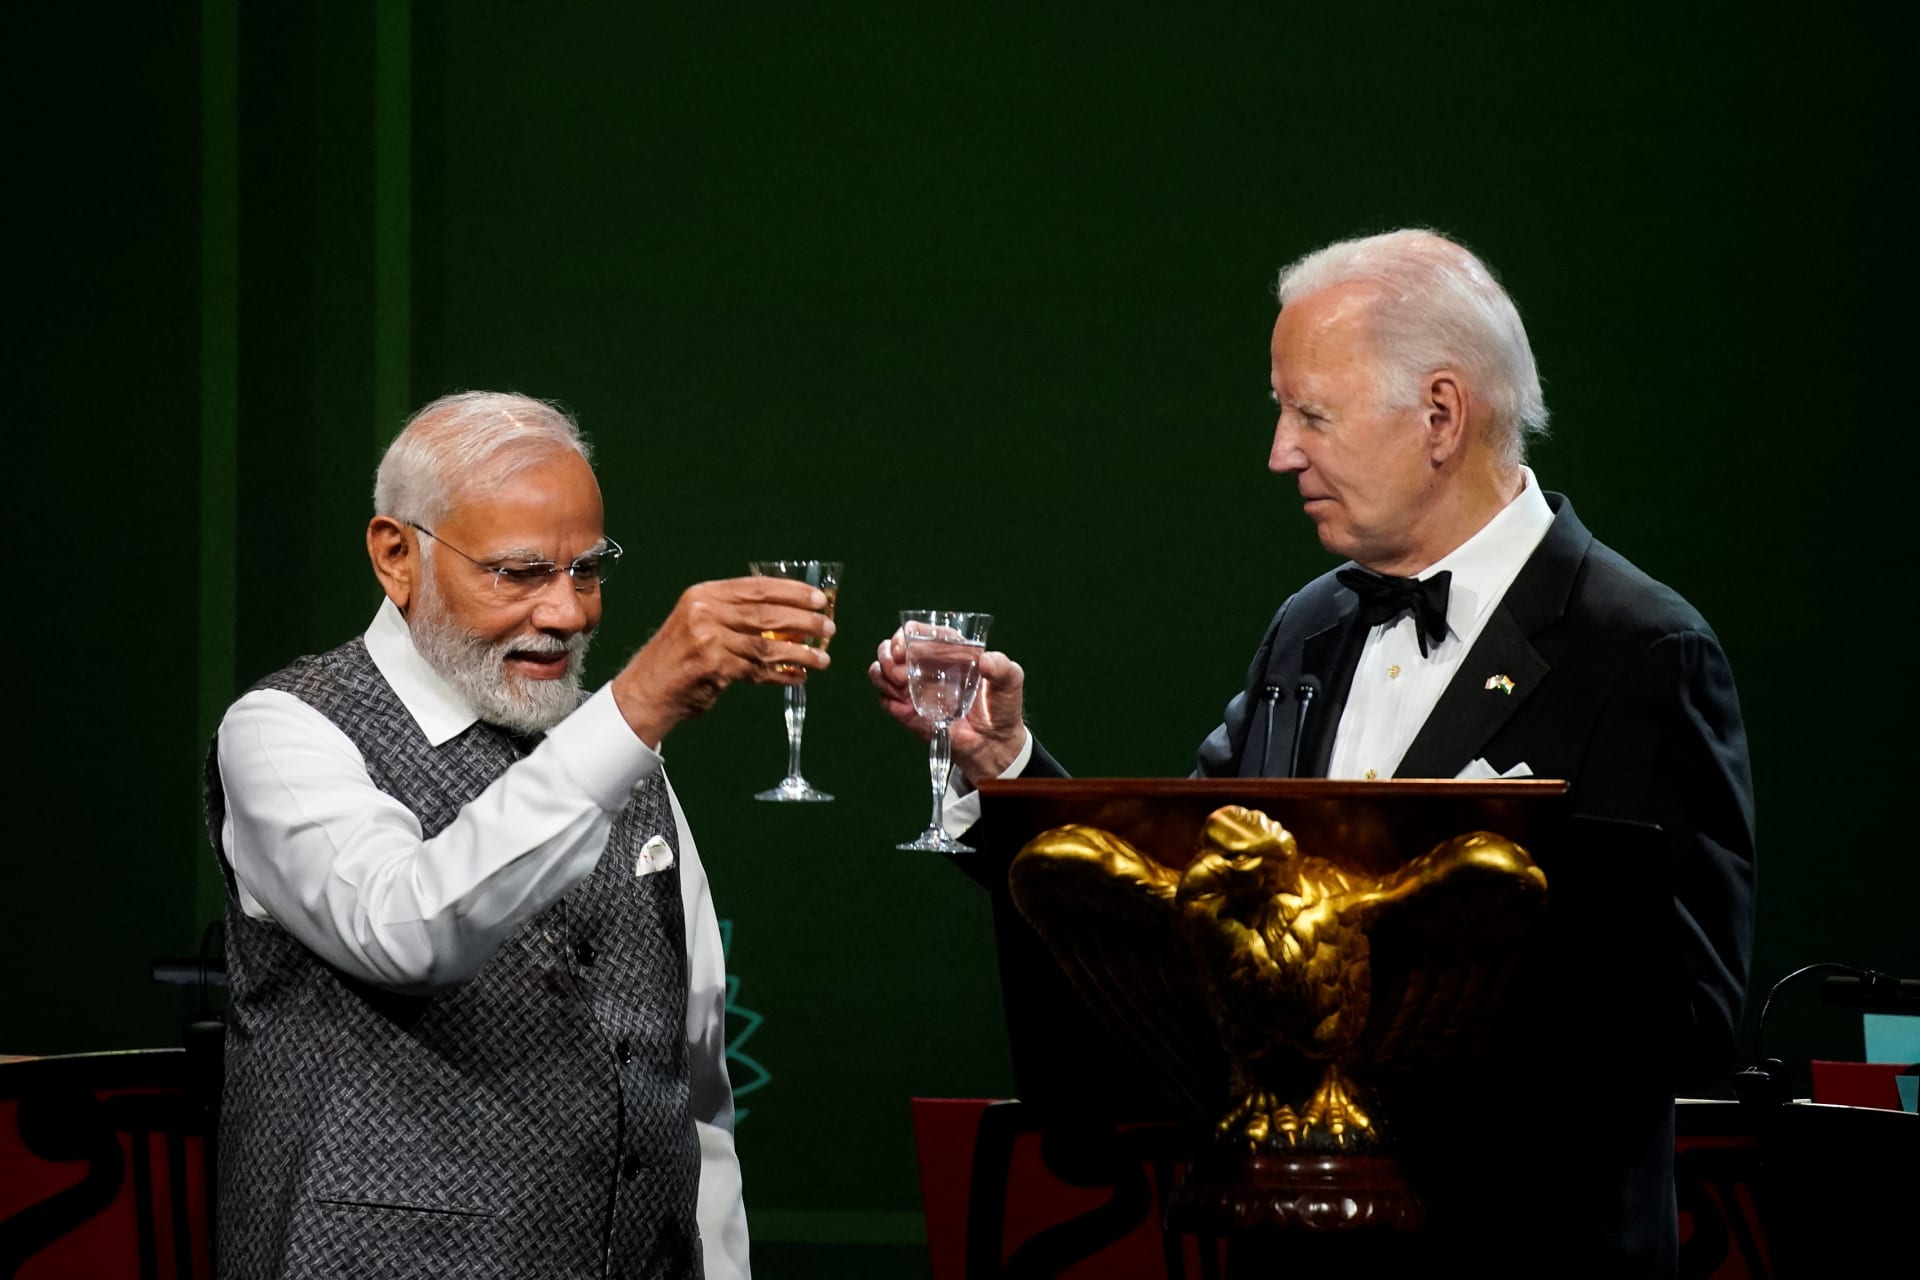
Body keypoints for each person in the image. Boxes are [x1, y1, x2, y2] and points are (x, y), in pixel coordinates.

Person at [870, 229, 1756, 1275]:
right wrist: (1007, 766)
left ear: (1440, 413)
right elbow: (1184, 901)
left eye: (1311, 413)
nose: (1280, 452)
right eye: (1282, 411)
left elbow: (1692, 1015)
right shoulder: (1309, 627)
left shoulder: (1637, 649)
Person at [207, 391, 832, 1280]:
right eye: (520, 573)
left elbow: (690, 1075)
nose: (570, 614)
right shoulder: (285, 730)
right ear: (397, 556)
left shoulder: (622, 756)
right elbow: (409, 929)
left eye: (587, 571)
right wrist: (637, 703)